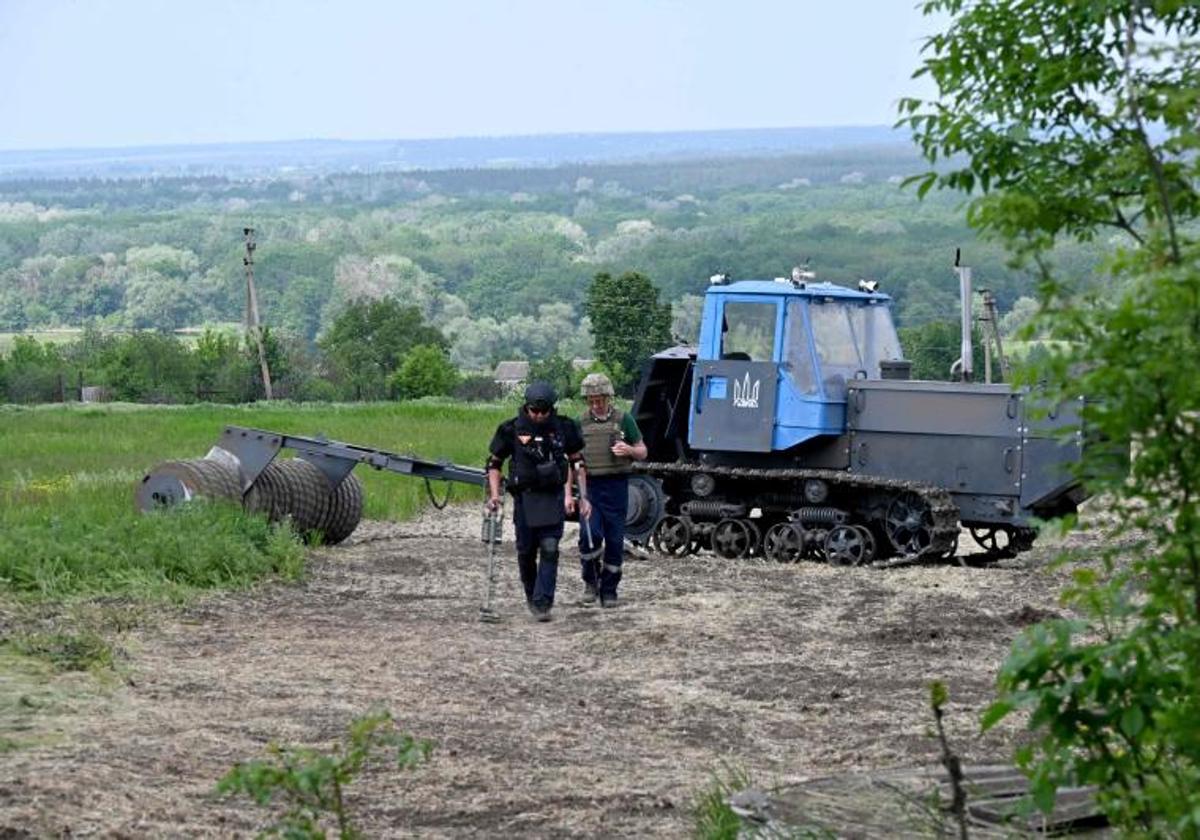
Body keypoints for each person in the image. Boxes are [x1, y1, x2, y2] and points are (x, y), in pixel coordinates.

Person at [486, 381, 590, 622]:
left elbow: (578, 462)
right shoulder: (510, 429)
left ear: (551, 408)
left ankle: (544, 603)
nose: (539, 416)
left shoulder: (565, 427)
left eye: (544, 412)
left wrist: (583, 497)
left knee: (551, 549)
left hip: (552, 497)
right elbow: (493, 464)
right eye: (535, 411)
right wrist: (494, 496)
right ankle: (532, 595)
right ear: (527, 407)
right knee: (526, 552)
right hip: (524, 499)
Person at [575, 372, 647, 608]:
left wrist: (629, 450)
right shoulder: (580, 423)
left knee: (615, 541)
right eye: (592, 400)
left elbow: (643, 451)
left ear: (608, 397)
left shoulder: (624, 420)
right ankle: (590, 581)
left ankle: (609, 590)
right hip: (591, 486)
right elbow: (572, 460)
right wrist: (576, 492)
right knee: (590, 535)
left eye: (600, 400)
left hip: (616, 487)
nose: (596, 405)